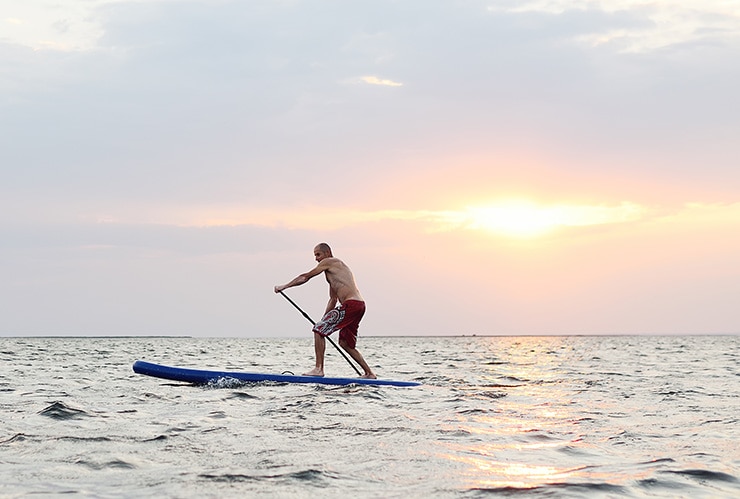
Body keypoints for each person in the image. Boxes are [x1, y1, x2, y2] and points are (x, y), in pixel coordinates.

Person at [274, 243, 376, 379]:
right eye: (315, 255)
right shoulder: (334, 273)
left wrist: (284, 286)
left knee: (318, 330)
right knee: (345, 344)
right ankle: (369, 373)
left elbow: (305, 277)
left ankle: (318, 369)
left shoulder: (331, 261)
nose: (316, 259)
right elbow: (333, 300)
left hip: (351, 304)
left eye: (318, 254)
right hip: (359, 305)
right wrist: (323, 321)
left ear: (327, 252)